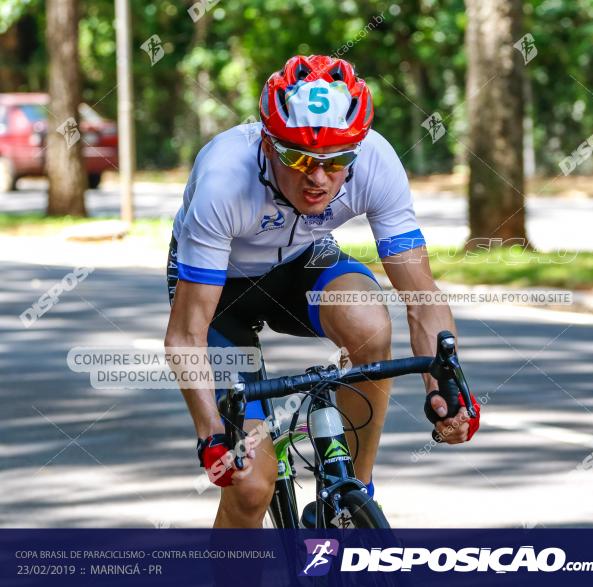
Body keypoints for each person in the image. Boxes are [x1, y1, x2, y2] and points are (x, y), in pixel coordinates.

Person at [163, 55, 480, 528]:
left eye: (336, 162)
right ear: (268, 145)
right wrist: (212, 434)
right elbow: (187, 335)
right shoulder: (224, 178)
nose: (317, 177)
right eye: (298, 157)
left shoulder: (375, 159)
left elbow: (422, 297)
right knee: (249, 486)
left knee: (370, 324)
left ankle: (353, 494)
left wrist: (445, 387)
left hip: (302, 263)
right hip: (220, 293)